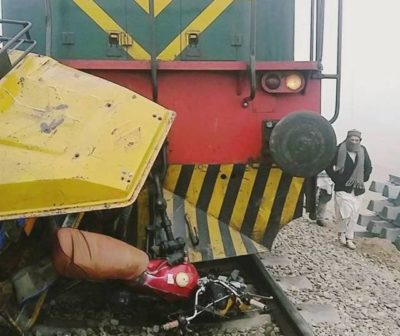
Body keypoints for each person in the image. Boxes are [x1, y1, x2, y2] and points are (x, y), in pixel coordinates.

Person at [326, 129, 372, 250]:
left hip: (358, 188)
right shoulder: (338, 149)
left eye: (357, 140)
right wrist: (336, 179)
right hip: (342, 187)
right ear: (347, 139)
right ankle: (341, 233)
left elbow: (368, 167)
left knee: (353, 214)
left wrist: (363, 178)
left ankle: (349, 238)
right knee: (344, 212)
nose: (354, 142)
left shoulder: (363, 151)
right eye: (352, 139)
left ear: (360, 141)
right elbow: (328, 165)